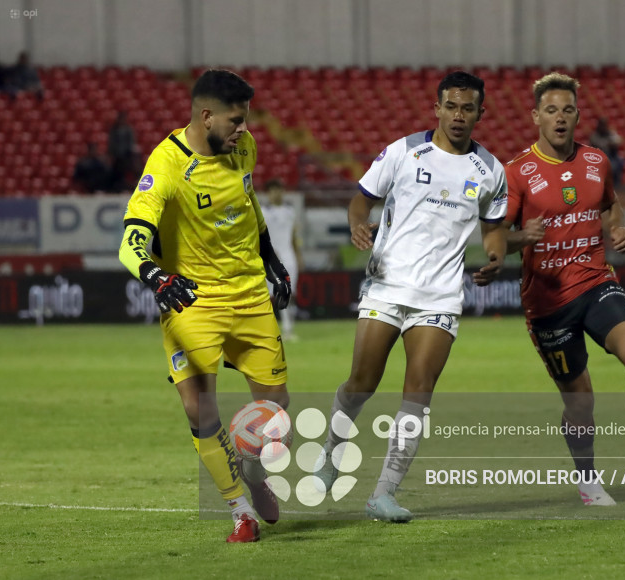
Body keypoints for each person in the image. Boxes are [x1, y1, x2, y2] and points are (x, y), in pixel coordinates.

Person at [313, 71, 508, 522]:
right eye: (452, 106)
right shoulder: (403, 151)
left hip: (440, 295)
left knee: (418, 393)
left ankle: (384, 493)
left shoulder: (490, 171)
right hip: (388, 284)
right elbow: (361, 198)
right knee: (362, 382)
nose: (459, 116)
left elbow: (494, 227)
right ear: (436, 108)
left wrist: (496, 256)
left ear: (481, 113)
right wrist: (357, 223)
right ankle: (329, 457)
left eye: (468, 108)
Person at [118, 69, 293, 543]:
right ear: (206, 115)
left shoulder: (244, 146)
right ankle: (240, 511)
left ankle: (255, 475)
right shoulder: (168, 163)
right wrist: (157, 276)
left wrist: (272, 260)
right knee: (200, 408)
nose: (243, 130)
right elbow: (130, 244)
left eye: (246, 121)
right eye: (235, 121)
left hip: (249, 293)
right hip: (192, 299)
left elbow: (251, 208)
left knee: (277, 415)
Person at [504, 72, 625, 507]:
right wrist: (519, 238)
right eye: (550, 111)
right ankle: (588, 480)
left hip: (597, 282)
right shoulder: (516, 173)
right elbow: (492, 236)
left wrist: (617, 228)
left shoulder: (597, 161)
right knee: (580, 403)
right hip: (548, 304)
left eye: (567, 110)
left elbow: (611, 205)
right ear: (535, 117)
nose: (559, 118)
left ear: (577, 115)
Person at [261, 178, 304, 341]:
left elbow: (293, 235)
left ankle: (287, 329)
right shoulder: (263, 212)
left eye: (278, 189)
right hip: (271, 256)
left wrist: (298, 255)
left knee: (287, 292)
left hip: (288, 255)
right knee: (266, 294)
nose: (276, 193)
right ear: (268, 193)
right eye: (272, 190)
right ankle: (266, 329)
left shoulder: (290, 211)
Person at [108, 111, 142, 191]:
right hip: (117, 156)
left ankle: (137, 182)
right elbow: (111, 144)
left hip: (127, 156)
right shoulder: (114, 130)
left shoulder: (128, 130)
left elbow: (131, 143)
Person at [589, 117, 624, 185]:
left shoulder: (610, 133)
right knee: (611, 167)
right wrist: (607, 144)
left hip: (611, 157)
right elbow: (596, 144)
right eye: (602, 125)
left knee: (619, 162)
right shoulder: (595, 135)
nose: (603, 127)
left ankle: (617, 185)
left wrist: (612, 142)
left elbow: (619, 140)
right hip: (598, 158)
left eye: (604, 125)